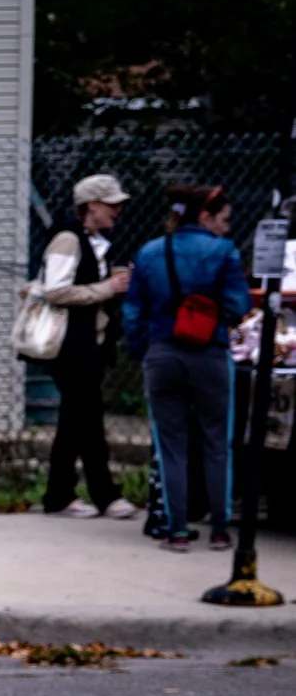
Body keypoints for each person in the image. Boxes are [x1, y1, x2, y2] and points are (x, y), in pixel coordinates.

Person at [123, 184, 249, 552]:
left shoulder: (149, 252)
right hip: (209, 353)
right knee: (216, 443)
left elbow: (133, 312)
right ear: (205, 216)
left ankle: (177, 530)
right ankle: (221, 529)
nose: (226, 228)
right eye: (224, 220)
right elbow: (238, 304)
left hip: (162, 353)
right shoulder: (224, 252)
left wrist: (141, 350)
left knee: (171, 445)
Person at [38, 175, 138, 520]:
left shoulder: (92, 241)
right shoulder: (68, 239)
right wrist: (106, 288)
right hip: (70, 345)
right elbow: (55, 290)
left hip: (84, 343)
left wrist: (110, 282)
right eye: (111, 204)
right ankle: (105, 495)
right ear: (91, 206)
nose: (118, 211)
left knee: (75, 420)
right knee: (87, 419)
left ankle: (59, 495)